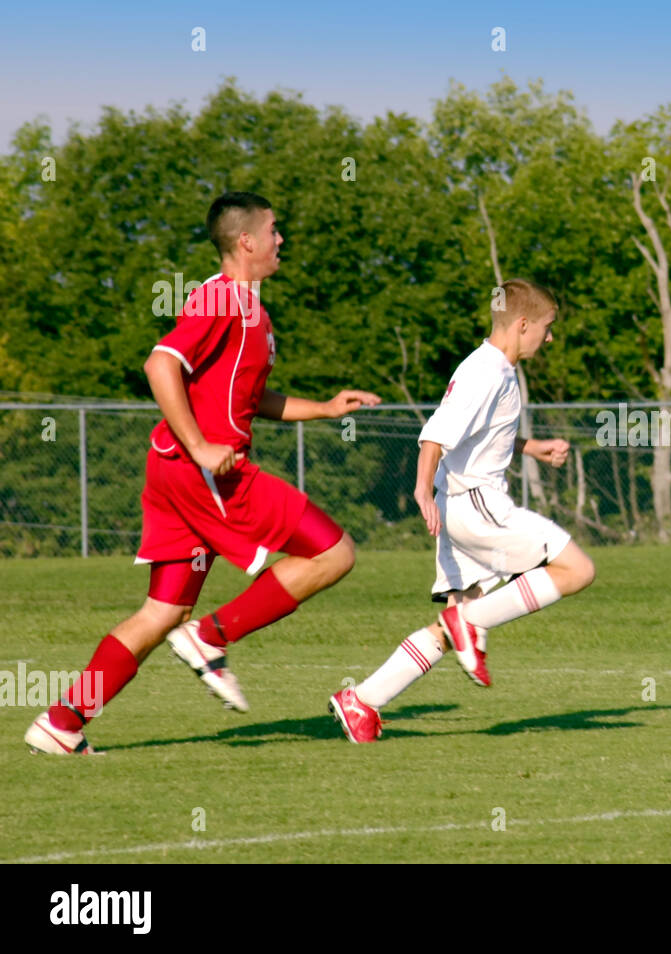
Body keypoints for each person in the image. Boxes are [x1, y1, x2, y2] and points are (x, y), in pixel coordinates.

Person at [25, 191, 379, 755]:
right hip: (202, 475)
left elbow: (253, 398)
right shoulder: (220, 301)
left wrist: (326, 408)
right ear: (246, 241)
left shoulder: (253, 310)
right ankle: (210, 638)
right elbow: (160, 362)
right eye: (273, 229)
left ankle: (62, 722)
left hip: (173, 473)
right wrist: (200, 445)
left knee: (162, 610)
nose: (280, 239)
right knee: (334, 552)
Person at [330, 279, 595, 743]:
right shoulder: (487, 372)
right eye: (548, 327)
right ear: (524, 323)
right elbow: (436, 433)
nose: (550, 337)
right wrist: (420, 491)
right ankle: (468, 622)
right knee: (576, 569)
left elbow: (480, 432)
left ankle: (361, 701)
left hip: (462, 504)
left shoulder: (496, 368)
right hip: (475, 502)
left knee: (450, 627)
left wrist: (531, 447)